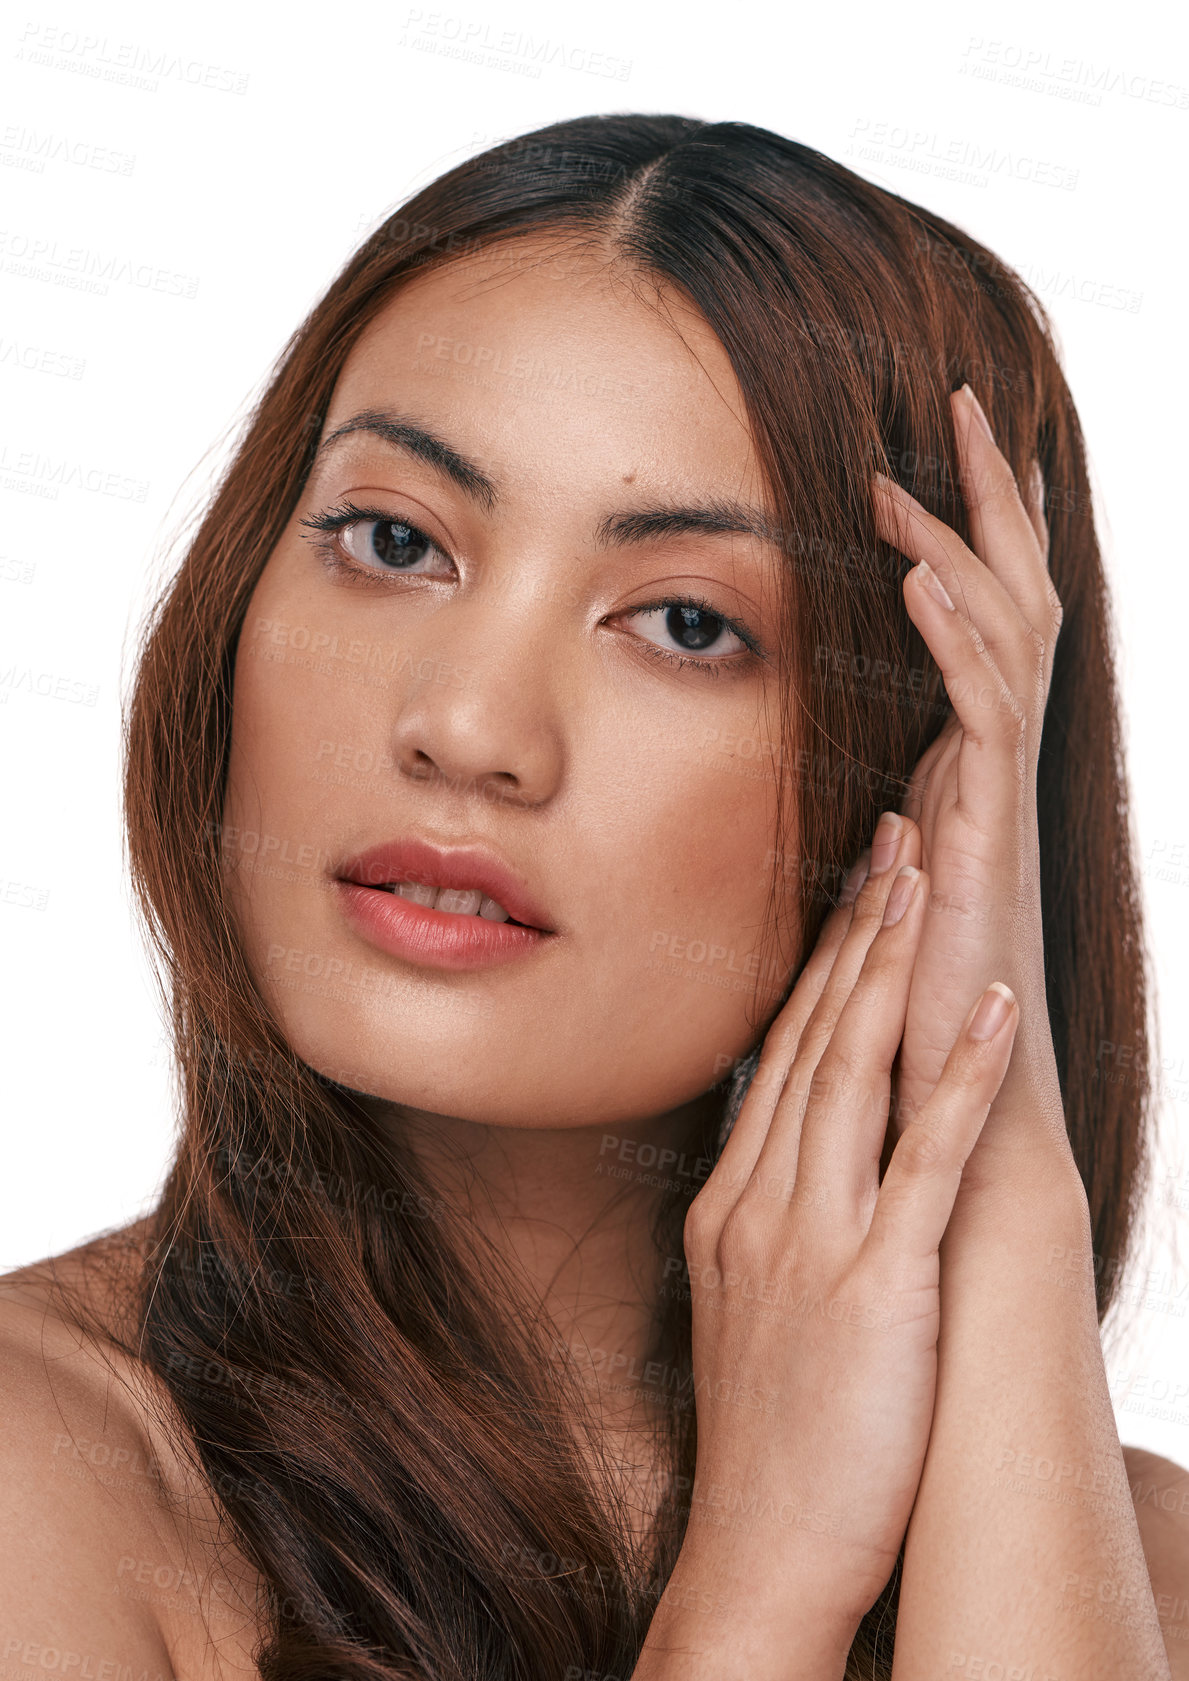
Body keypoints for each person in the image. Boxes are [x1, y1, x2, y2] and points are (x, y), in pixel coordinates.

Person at [1, 113, 1185, 1681]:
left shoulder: (1134, 1568)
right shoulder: (47, 1480)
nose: (468, 728)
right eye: (394, 538)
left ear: (918, 778)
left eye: (686, 623)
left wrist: (996, 1163)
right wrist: (761, 1584)